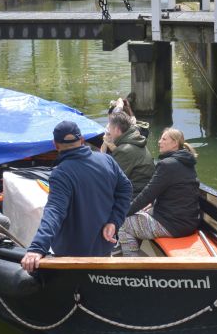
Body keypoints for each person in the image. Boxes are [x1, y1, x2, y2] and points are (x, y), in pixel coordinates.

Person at [20, 120, 132, 270]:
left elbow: (54, 211)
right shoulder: (107, 160)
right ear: (82, 140)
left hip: (72, 258)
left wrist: (37, 247)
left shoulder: (61, 173)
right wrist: (114, 221)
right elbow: (126, 190)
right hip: (104, 250)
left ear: (55, 145)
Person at [118, 127, 200, 257]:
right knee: (139, 213)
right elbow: (173, 192)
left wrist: (124, 212)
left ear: (175, 143)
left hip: (172, 224)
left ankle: (131, 263)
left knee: (123, 223)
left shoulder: (167, 165)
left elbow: (147, 194)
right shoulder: (187, 162)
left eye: (164, 139)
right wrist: (153, 204)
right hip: (188, 222)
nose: (159, 141)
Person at [103, 111, 155, 195]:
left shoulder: (124, 150)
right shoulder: (134, 139)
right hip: (144, 189)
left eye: (110, 128)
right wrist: (110, 144)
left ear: (116, 130)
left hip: (135, 194)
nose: (108, 131)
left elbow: (112, 180)